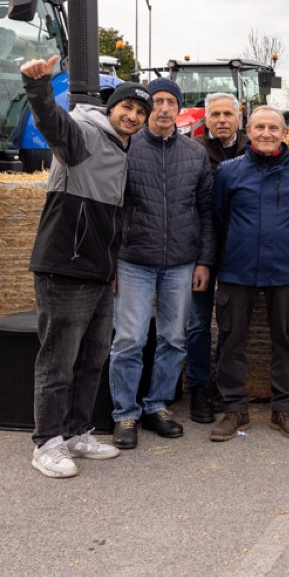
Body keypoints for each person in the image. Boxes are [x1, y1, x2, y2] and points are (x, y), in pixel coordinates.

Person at [20, 56, 150, 478]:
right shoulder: (84, 135)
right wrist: (37, 87)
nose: (132, 116)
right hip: (65, 265)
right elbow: (52, 122)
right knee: (58, 360)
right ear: (112, 108)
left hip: (98, 270)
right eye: (127, 107)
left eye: (140, 113)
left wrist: (111, 266)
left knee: (92, 359)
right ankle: (47, 442)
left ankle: (77, 432)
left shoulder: (122, 149)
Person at [109, 78, 215, 450]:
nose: (165, 108)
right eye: (158, 101)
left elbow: (205, 211)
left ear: (179, 107)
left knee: (174, 338)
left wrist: (204, 261)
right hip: (134, 259)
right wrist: (112, 261)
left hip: (181, 261)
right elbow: (112, 208)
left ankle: (157, 406)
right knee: (130, 339)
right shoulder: (125, 148)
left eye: (172, 101)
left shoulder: (195, 153)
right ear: (147, 107)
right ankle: (125, 413)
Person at [210, 107, 289, 442]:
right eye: (260, 127)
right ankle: (234, 409)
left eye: (274, 127)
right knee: (231, 340)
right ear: (249, 130)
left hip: (285, 271)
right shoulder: (228, 172)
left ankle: (283, 409)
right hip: (236, 271)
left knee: (286, 340)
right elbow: (218, 218)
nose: (267, 133)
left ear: (285, 132)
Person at [187, 92, 249, 423]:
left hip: (237, 253)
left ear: (240, 118)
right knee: (198, 324)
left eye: (228, 114)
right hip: (199, 251)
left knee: (230, 324)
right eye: (216, 114)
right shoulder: (194, 152)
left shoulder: (254, 150)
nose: (222, 120)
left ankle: (222, 384)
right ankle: (198, 386)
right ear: (206, 119)